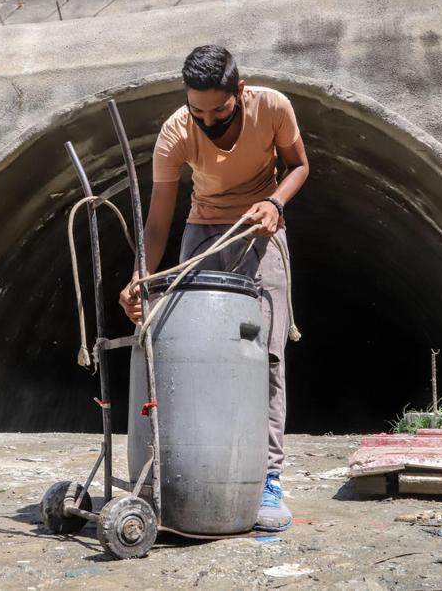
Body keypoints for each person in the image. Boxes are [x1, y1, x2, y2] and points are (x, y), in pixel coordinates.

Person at [119, 45, 310, 532]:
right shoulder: (175, 133)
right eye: (196, 110)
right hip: (203, 233)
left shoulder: (272, 108)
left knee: (263, 356)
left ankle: (266, 479)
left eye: (218, 111)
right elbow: (160, 218)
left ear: (239, 93)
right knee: (193, 354)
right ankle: (189, 470)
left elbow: (299, 166)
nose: (206, 120)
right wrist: (141, 276)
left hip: (261, 232)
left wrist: (275, 203)